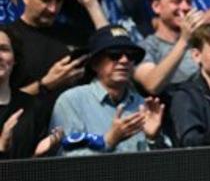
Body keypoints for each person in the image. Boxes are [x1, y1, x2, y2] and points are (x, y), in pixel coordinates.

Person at [51, 26, 168, 155]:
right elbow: (66, 162)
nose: (124, 60)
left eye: (130, 55)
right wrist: (109, 141)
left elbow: (168, 165)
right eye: (115, 54)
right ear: (95, 63)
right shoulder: (71, 102)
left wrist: (153, 139)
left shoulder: (142, 105)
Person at [134, 0, 206, 96]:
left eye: (188, 1)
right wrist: (184, 41)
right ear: (156, 6)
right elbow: (152, 85)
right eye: (177, 1)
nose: (185, 7)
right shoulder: (145, 48)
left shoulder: (200, 43)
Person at [0, 26, 61, 160]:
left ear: (15, 59)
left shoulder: (33, 107)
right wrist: (2, 149)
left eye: (4, 49)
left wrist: (37, 157)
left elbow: (32, 176)